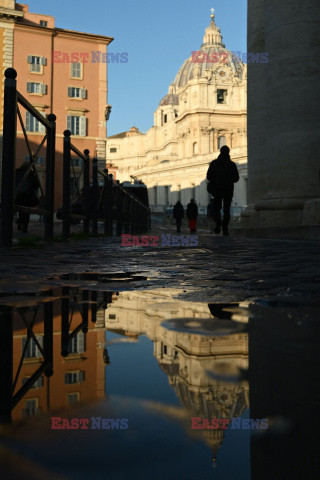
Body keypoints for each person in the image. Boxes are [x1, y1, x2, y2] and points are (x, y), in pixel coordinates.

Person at [206, 145, 239, 236]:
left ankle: (218, 225)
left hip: (217, 190)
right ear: (228, 152)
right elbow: (236, 178)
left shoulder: (214, 163)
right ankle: (225, 228)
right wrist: (228, 179)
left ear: (220, 152)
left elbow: (208, 177)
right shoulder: (232, 164)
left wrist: (216, 180)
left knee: (217, 209)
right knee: (227, 210)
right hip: (228, 190)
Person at [15, 161, 40, 233]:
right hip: (27, 194)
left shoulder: (17, 172)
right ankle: (24, 227)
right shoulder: (30, 173)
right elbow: (36, 184)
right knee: (26, 211)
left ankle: (20, 223)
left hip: (18, 195)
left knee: (20, 209)